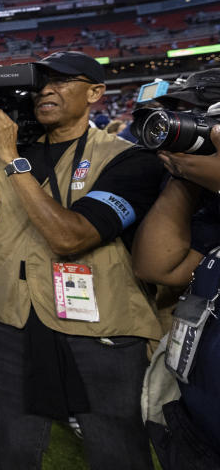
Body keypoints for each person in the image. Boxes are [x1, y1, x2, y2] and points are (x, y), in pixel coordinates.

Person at [0, 51, 165, 469]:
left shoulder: (128, 159)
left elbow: (70, 236)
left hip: (102, 330)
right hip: (13, 324)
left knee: (116, 451)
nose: (46, 89)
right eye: (41, 81)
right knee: (11, 452)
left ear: (95, 93)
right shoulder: (3, 155)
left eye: (63, 80)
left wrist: (12, 158)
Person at [131, 74, 220, 468]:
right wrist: (185, 178)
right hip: (199, 421)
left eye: (196, 117)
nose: (180, 125)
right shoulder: (210, 198)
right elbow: (158, 265)